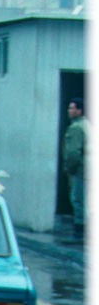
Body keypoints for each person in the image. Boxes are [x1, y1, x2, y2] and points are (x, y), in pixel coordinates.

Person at [63, 97, 87, 240]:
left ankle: (79, 231)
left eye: (72, 108)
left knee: (78, 199)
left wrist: (70, 169)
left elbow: (73, 153)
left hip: (81, 169)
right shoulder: (86, 125)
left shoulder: (76, 128)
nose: (69, 110)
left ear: (79, 110)